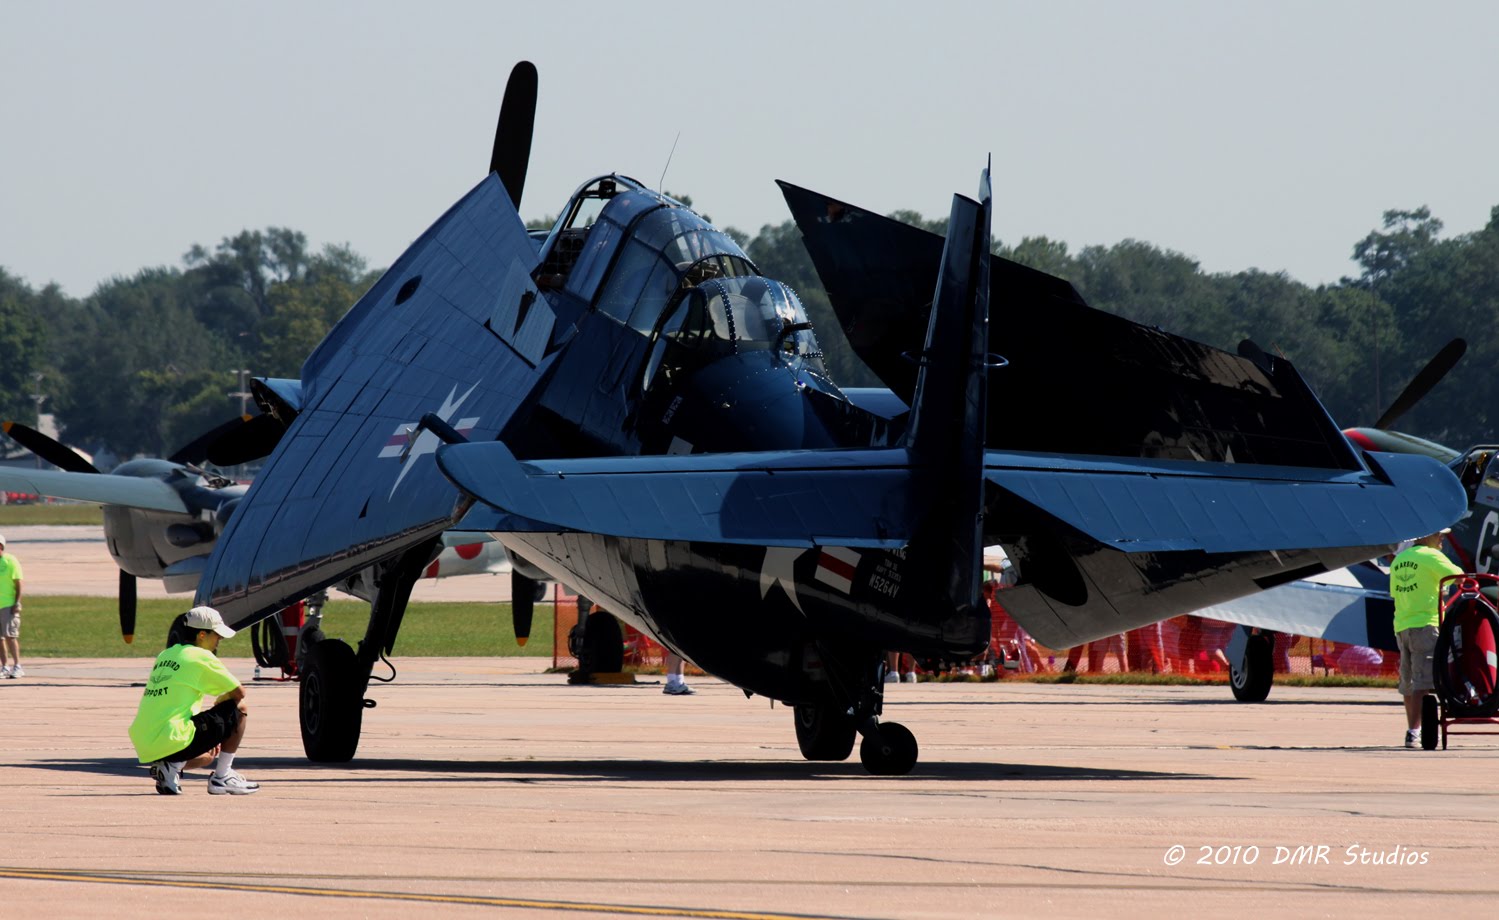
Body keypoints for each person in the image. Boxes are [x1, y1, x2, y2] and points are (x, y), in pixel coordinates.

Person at [128, 606, 259, 794]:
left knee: (206, 757)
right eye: (217, 635)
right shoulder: (201, 656)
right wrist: (220, 708)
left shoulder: (166, 654)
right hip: (174, 736)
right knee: (239, 708)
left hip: (146, 741)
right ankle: (223, 777)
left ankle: (170, 767)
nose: (219, 640)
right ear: (202, 635)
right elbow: (239, 693)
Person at [1390, 529, 1463, 748]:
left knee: (1409, 682)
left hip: (1402, 625)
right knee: (1424, 683)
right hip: (1426, 625)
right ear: (1425, 536)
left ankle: (1413, 730)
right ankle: (1422, 731)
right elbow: (1460, 577)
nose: (1443, 538)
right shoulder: (1431, 556)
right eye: (1439, 535)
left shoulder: (1399, 560)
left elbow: (1396, 593)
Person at [0, 534, 22, 679]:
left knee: (10, 636)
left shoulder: (10, 561)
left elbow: (18, 582)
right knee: (0, 638)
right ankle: (4, 666)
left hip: (8, 605)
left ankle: (17, 666)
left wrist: (17, 602)